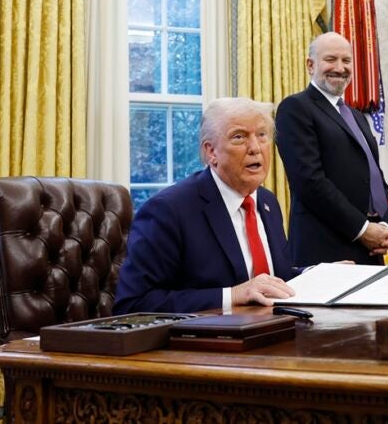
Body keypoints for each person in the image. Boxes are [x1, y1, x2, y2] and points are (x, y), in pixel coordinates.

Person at [113, 97, 296, 314]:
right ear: (211, 152)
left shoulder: (267, 202)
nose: (255, 148)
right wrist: (233, 295)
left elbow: (277, 277)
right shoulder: (169, 210)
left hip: (275, 333)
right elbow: (134, 303)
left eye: (262, 135)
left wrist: (324, 275)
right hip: (210, 342)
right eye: (239, 137)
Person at [275, 32, 388, 266]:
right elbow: (309, 181)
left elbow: (375, 177)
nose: (340, 68)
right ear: (311, 65)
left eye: (346, 61)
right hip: (325, 251)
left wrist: (382, 227)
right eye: (331, 59)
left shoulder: (357, 116)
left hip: (370, 250)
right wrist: (363, 230)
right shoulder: (295, 108)